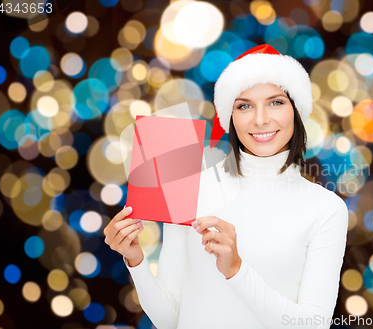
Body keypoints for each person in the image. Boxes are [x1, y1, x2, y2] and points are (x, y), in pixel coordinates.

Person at [104, 44, 349, 329]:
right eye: (244, 105)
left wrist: (236, 270)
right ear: (230, 116)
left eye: (276, 102)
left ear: (296, 109)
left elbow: (313, 324)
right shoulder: (188, 186)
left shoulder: (326, 208)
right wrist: (136, 261)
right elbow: (171, 320)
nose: (260, 119)